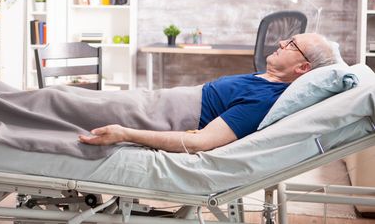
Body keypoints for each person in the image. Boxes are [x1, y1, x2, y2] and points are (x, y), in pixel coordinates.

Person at [79, 33, 336, 153]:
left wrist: (124, 133)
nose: (281, 42)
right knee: (71, 97)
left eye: (292, 44)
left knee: (62, 100)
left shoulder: (266, 99)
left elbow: (199, 141)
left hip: (160, 114)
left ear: (303, 67)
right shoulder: (265, 79)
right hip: (154, 99)